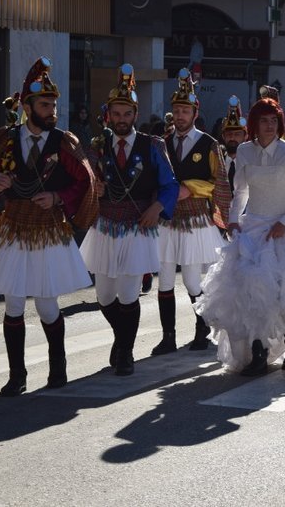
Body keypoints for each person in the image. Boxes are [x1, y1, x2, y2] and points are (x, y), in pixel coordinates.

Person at [0, 57, 98, 396]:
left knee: (46, 302)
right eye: (44, 104)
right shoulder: (6, 138)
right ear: (27, 107)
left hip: (49, 227)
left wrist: (57, 197)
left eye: (53, 104)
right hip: (14, 224)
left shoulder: (63, 140)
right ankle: (17, 376)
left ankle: (58, 368)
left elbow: (85, 181)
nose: (51, 109)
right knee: (13, 303)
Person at [195, 97, 285, 376]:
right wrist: (233, 221)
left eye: (274, 120)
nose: (269, 126)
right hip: (253, 230)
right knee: (250, 294)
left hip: (283, 232)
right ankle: (258, 353)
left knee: (283, 292)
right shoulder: (244, 152)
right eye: (264, 120)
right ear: (254, 124)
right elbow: (241, 193)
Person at [80, 63, 178, 376]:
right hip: (106, 226)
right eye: (116, 114)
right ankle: (120, 338)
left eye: (127, 114)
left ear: (135, 115)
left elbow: (170, 184)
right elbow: (85, 184)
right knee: (105, 296)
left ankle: (125, 352)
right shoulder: (98, 146)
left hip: (139, 225)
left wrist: (158, 208)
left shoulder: (153, 145)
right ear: (108, 115)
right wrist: (96, 187)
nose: (121, 120)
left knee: (128, 294)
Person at [151, 68, 231, 356]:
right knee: (164, 277)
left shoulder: (209, 144)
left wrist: (191, 188)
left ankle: (203, 329)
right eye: (177, 110)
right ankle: (168, 336)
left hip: (196, 218)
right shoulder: (161, 143)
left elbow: (219, 183)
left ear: (195, 113)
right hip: (168, 218)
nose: (181, 115)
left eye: (185, 110)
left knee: (192, 280)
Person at [220, 95, 249, 195]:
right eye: (229, 134)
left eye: (237, 134)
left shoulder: (252, 162)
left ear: (245, 136)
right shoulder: (216, 162)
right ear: (223, 136)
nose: (232, 138)